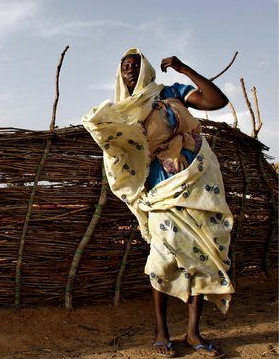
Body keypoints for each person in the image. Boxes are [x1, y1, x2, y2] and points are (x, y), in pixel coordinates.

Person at [82, 48, 233, 358]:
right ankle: (161, 332)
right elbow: (117, 153)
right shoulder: (120, 112)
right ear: (118, 74)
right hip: (160, 191)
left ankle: (193, 333)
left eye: (136, 65)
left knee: (202, 258)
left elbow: (217, 101)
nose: (130, 71)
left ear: (147, 70)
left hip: (198, 185)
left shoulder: (170, 93)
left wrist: (183, 68)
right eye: (125, 67)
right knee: (162, 261)